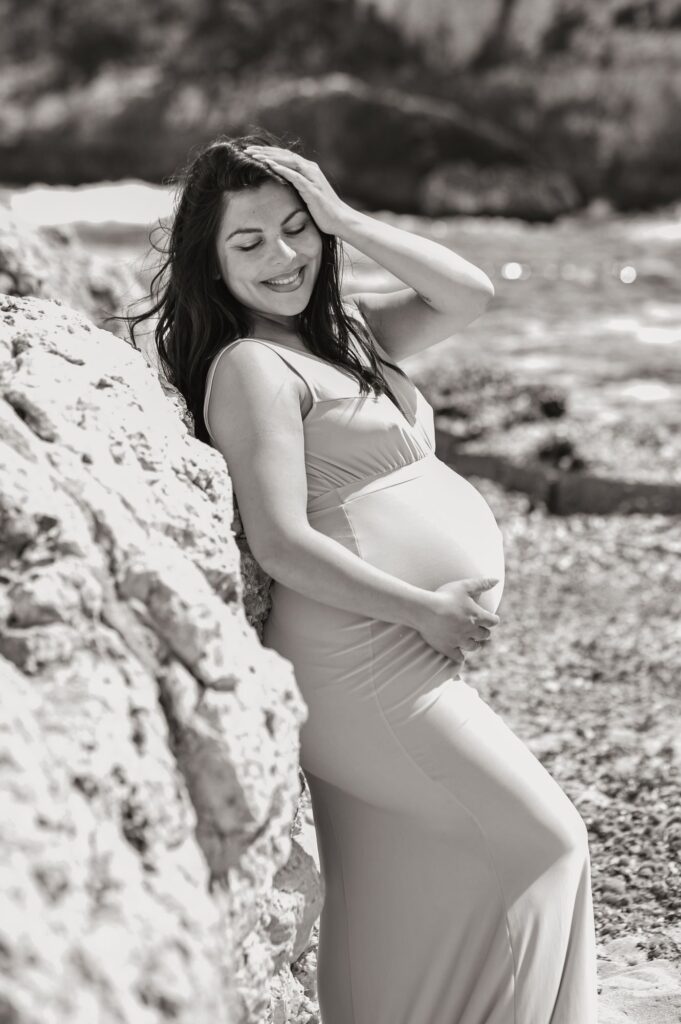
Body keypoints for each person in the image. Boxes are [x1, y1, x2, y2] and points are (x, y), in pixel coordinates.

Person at [126, 132, 599, 1023]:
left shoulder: (350, 334)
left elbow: (471, 292)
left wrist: (344, 217)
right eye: (249, 241)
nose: (283, 256)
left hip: (397, 655)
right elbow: (280, 541)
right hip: (360, 663)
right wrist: (423, 608)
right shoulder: (250, 368)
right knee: (547, 840)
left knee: (402, 877)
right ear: (210, 260)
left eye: (297, 229)